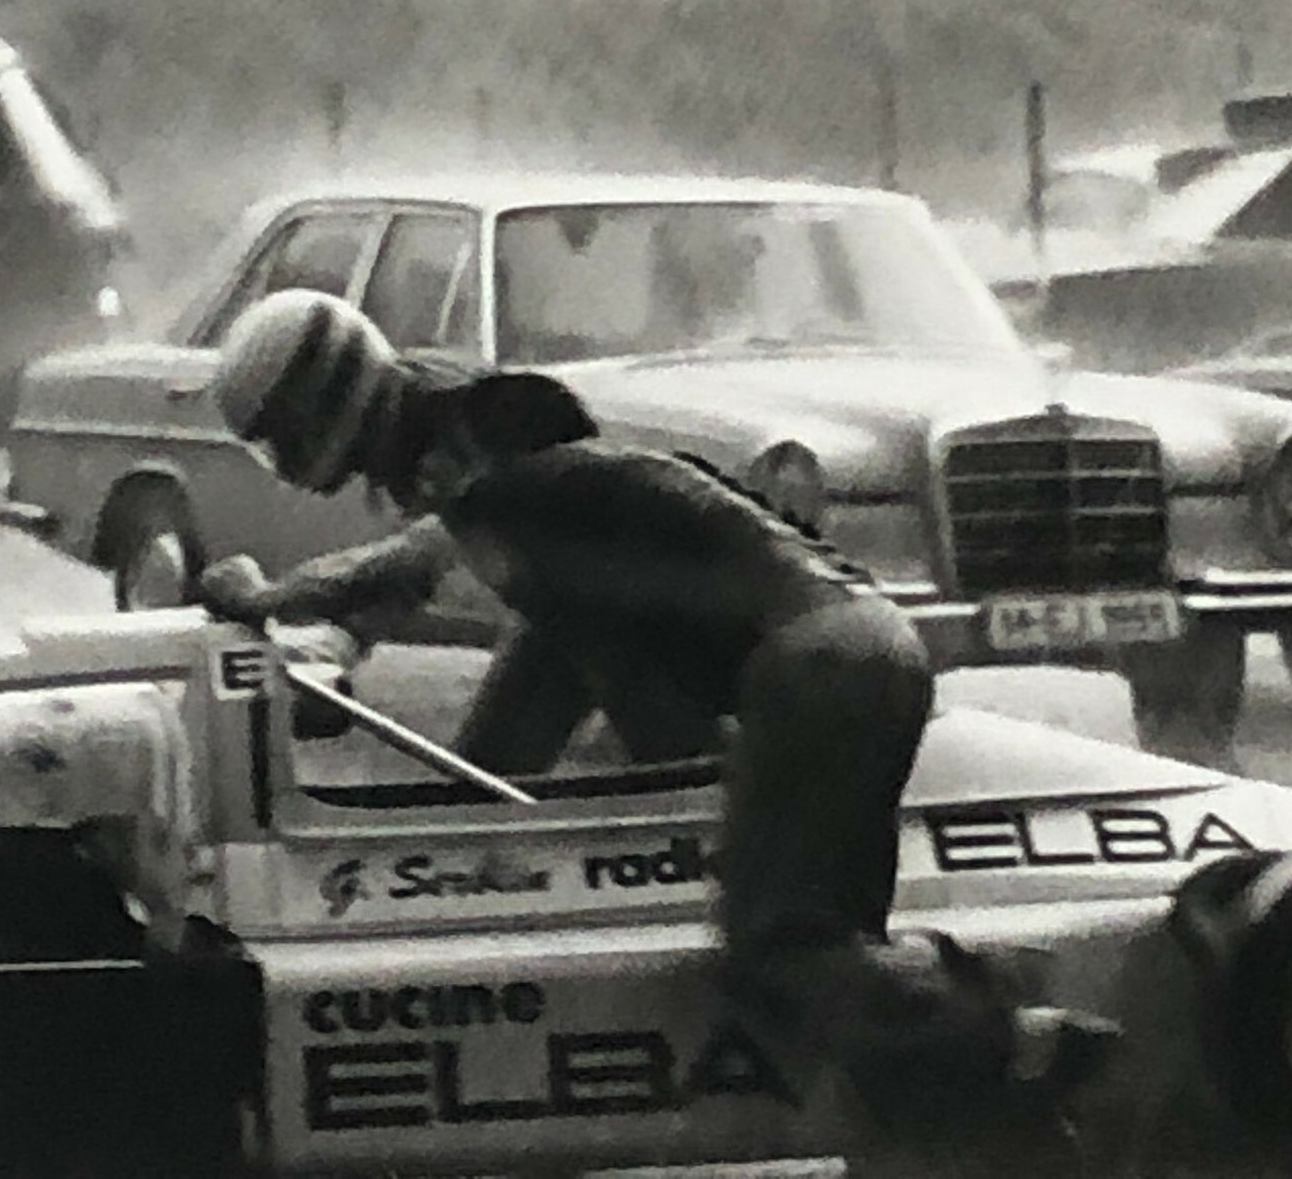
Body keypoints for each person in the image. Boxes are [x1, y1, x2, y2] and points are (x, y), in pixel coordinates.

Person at [199, 288, 1113, 1146]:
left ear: (327, 401)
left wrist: (270, 594)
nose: (290, 466)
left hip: (816, 664)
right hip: (857, 649)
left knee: (772, 953)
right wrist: (457, 815)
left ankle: (1010, 1027)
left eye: (283, 437)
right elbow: (530, 698)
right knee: (836, 952)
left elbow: (416, 563)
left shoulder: (494, 476)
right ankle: (998, 1115)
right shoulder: (544, 529)